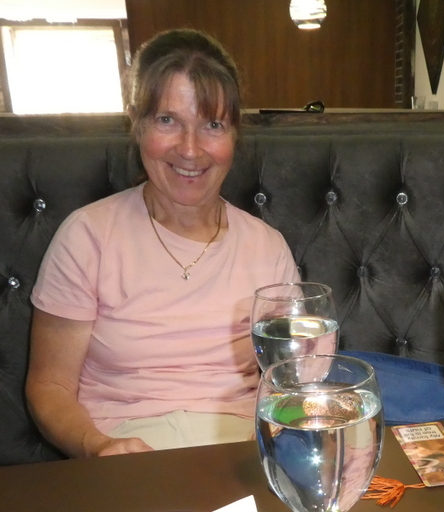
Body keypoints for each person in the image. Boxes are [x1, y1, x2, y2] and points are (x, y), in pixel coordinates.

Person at [27, 29, 299, 457]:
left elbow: (294, 377)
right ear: (136, 123)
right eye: (167, 121)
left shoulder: (268, 247)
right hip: (127, 455)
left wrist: (280, 431)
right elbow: (50, 386)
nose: (190, 150)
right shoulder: (88, 236)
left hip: (242, 454)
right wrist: (98, 446)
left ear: (234, 134)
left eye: (212, 125)